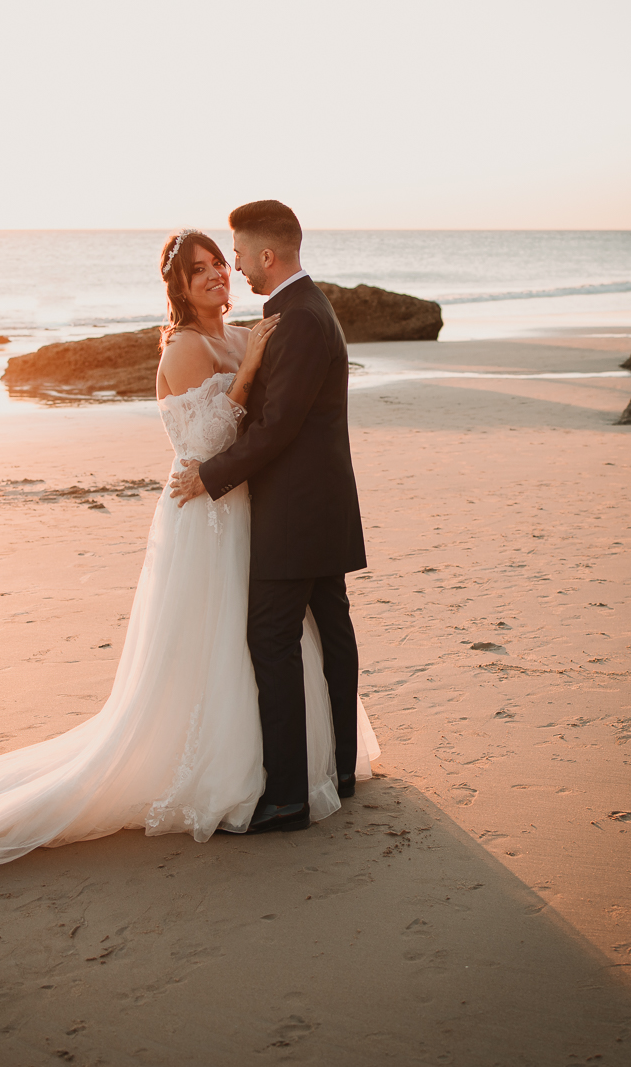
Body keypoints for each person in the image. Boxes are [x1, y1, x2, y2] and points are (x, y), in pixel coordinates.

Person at [0, 227, 378, 917]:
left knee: (255, 641)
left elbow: (267, 418)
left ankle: (285, 771)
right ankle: (228, 772)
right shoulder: (183, 348)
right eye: (199, 270)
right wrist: (250, 373)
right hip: (203, 514)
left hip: (243, 514)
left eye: (217, 267)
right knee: (215, 645)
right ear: (176, 285)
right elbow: (204, 442)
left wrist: (257, 362)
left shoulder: (241, 336)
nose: (214, 278)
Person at [171, 201, 368, 835]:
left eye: (234, 255)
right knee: (330, 632)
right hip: (315, 506)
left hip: (295, 511)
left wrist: (210, 475)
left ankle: (286, 797)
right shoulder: (304, 309)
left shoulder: (301, 319)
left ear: (266, 256)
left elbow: (278, 427)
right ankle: (336, 770)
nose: (232, 269)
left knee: (272, 640)